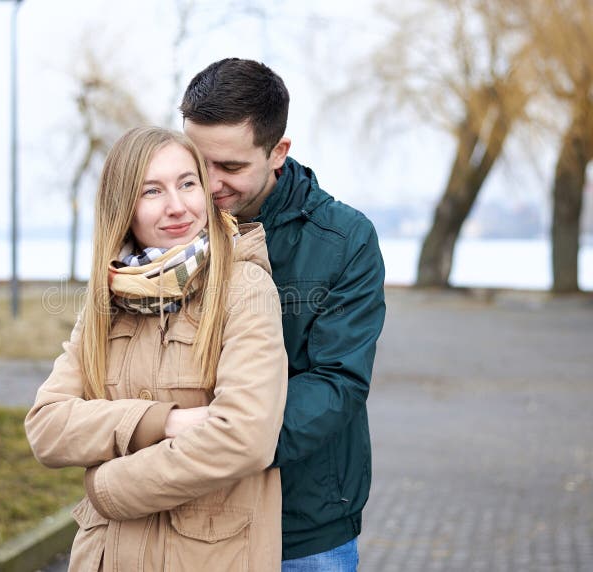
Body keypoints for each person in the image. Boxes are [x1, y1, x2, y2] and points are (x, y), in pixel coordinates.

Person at [25, 126, 288, 571]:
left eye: (188, 184)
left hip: (209, 557)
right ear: (124, 207)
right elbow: (47, 426)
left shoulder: (243, 286)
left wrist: (110, 485)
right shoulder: (105, 298)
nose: (177, 206)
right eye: (152, 191)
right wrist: (164, 421)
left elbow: (245, 437)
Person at [180, 58, 386, 571]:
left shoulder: (345, 241)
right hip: (185, 506)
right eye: (197, 162)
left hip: (304, 521)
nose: (207, 184)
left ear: (278, 152)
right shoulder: (172, 223)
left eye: (229, 167)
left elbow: (337, 382)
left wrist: (226, 443)